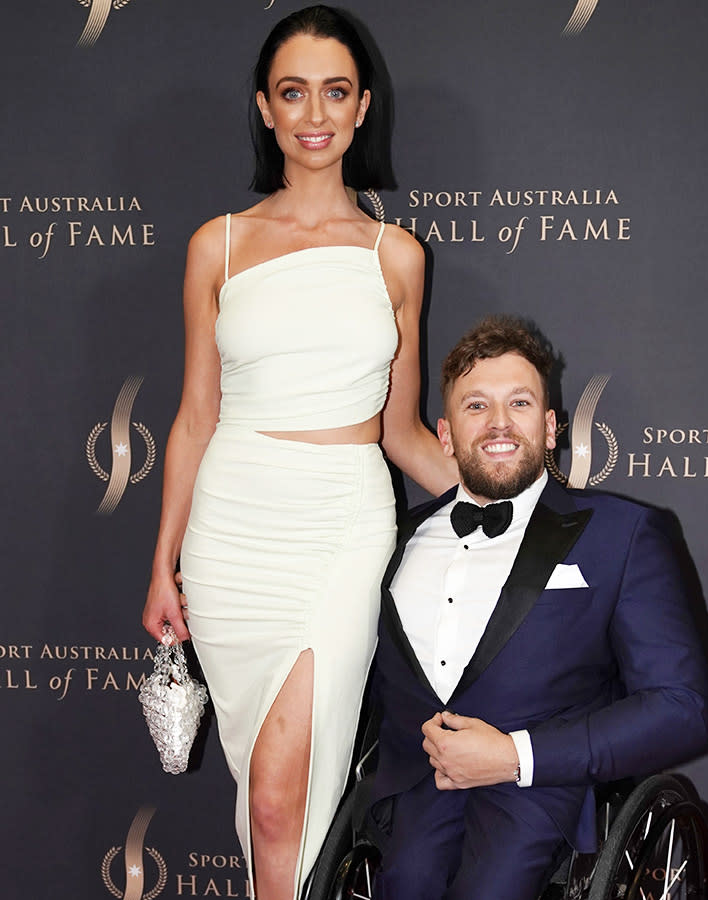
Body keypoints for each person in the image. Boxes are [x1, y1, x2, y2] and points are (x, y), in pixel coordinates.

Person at [141, 7, 456, 900]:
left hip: (339, 531)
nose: (314, 112)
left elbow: (401, 435)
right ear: (266, 109)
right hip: (232, 530)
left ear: (362, 109)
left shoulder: (396, 258)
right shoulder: (220, 245)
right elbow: (197, 417)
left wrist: (524, 502)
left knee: (285, 801)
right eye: (293, 92)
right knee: (264, 798)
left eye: (335, 91)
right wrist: (163, 565)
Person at [369, 316, 708, 900]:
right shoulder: (390, 539)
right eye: (476, 406)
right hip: (414, 793)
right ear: (446, 434)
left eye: (519, 402)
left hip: (541, 793)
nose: (499, 422)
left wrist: (514, 756)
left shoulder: (622, 535)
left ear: (550, 427)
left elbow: (682, 707)